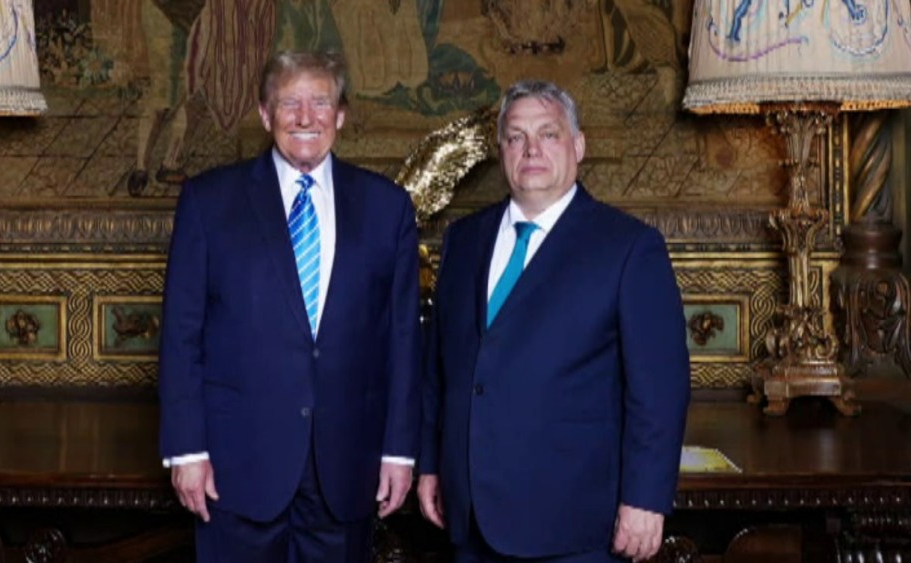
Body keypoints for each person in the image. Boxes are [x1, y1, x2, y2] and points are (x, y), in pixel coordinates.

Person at [158, 50, 421, 563]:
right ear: (264, 114)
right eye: (289, 103)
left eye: (320, 103)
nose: (305, 117)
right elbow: (181, 335)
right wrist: (186, 449)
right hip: (236, 468)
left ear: (340, 115)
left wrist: (399, 450)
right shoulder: (209, 202)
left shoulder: (387, 208)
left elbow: (403, 340)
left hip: (347, 467)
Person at [418, 79, 690, 563]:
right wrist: (431, 465)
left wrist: (646, 497)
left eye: (548, 134)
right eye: (516, 137)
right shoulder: (463, 240)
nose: (532, 150)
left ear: (577, 145)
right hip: (469, 516)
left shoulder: (628, 248)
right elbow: (439, 371)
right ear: (501, 151)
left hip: (571, 524)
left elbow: (659, 389)